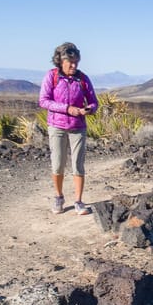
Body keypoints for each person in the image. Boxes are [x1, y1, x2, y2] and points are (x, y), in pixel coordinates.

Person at [38, 42, 98, 215]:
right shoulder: (52, 76)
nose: (73, 65)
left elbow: (94, 101)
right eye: (70, 62)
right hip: (57, 126)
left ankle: (78, 201)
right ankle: (58, 197)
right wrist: (67, 109)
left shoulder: (83, 78)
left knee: (78, 165)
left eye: (76, 62)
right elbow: (43, 100)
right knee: (57, 164)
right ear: (60, 61)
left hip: (78, 126)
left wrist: (90, 109)